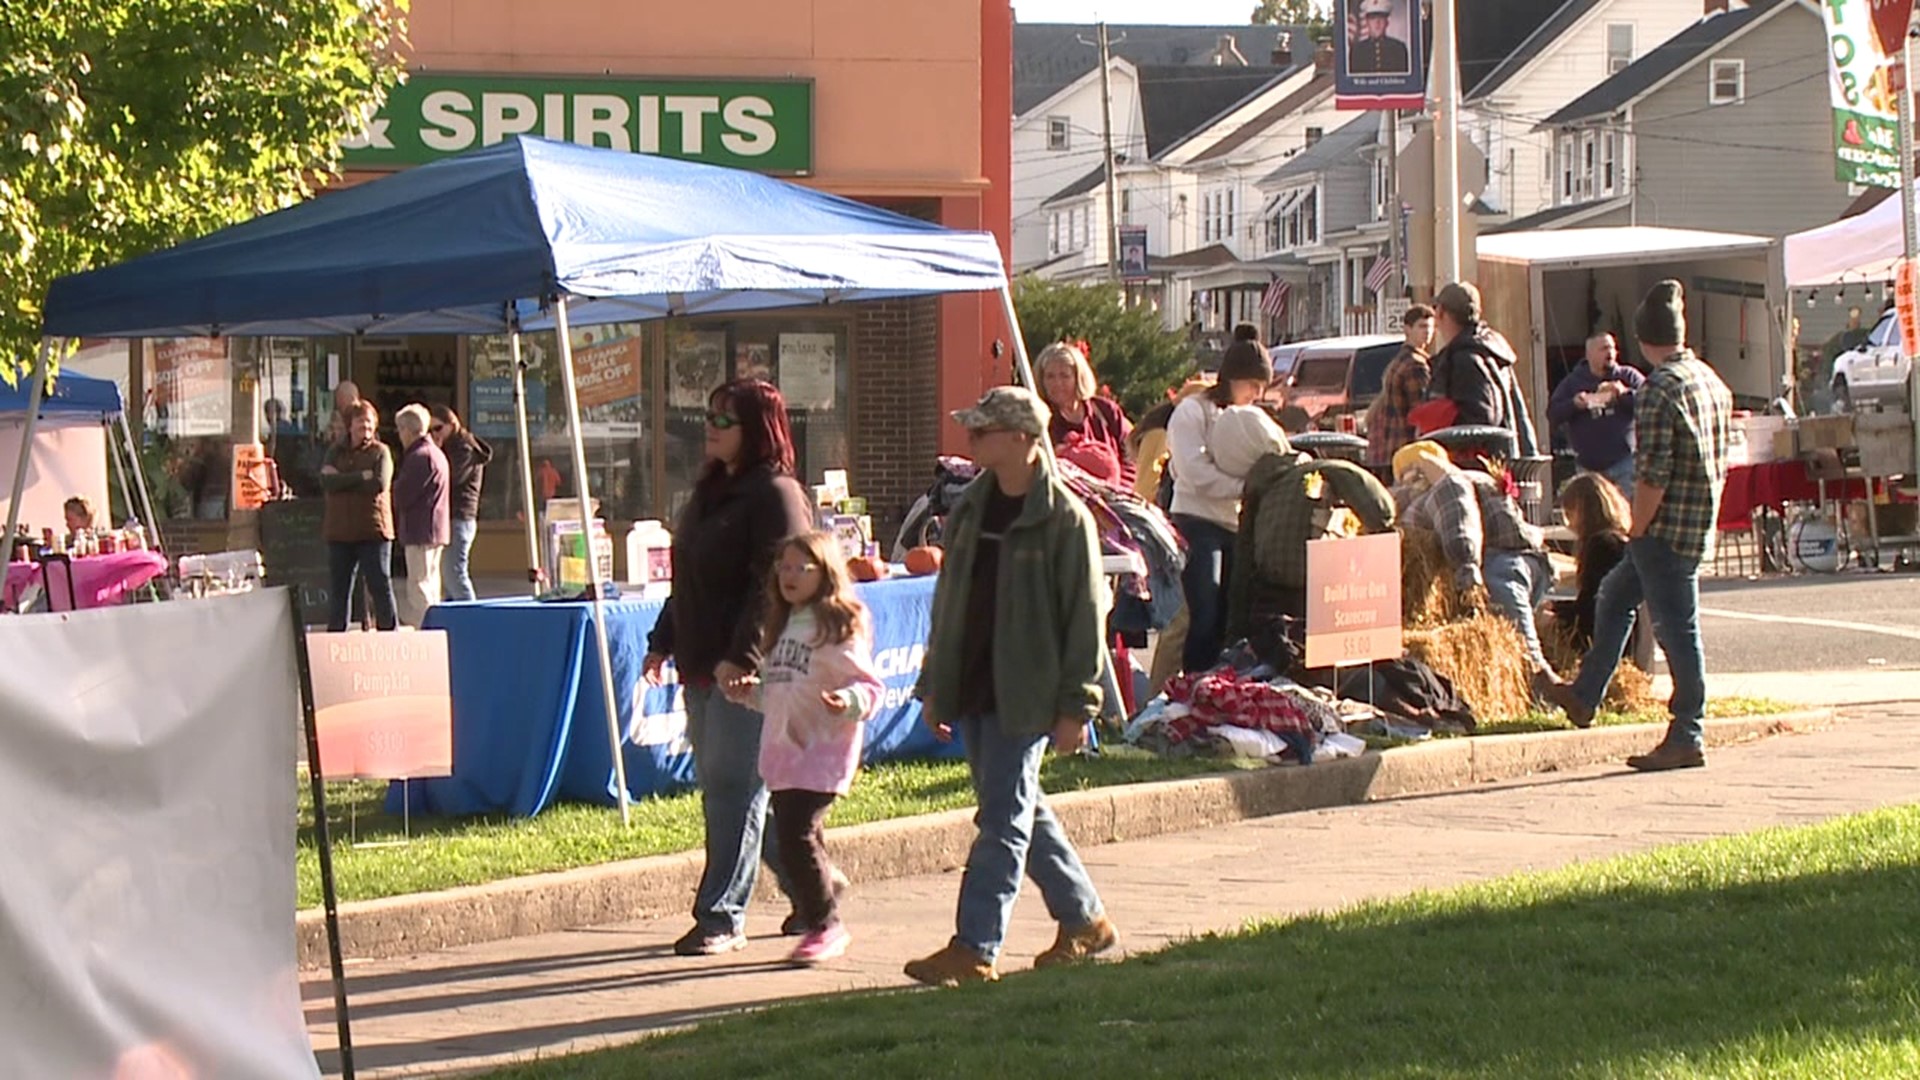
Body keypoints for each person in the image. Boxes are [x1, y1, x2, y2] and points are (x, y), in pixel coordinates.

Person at [905, 386, 1114, 986]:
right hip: (970, 683)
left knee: (1002, 819)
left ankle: (975, 946)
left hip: (1025, 692)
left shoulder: (1065, 519)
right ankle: (1085, 920)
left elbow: (1083, 618)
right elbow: (949, 602)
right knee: (1019, 808)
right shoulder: (971, 507)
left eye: (983, 431)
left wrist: (1079, 705)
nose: (971, 441)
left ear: (1022, 439)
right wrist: (934, 684)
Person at [643, 379, 817, 956]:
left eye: (724, 419)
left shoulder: (777, 495)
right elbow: (687, 577)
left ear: (757, 429)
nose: (710, 428)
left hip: (752, 668)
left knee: (734, 788)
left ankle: (720, 916)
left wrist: (744, 658)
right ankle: (815, 893)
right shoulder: (712, 491)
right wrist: (662, 640)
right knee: (732, 791)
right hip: (700, 662)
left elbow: (777, 588)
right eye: (708, 417)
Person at [1545, 281, 1732, 771]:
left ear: (1646, 341)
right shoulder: (1710, 381)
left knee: (1677, 629)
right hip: (1696, 519)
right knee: (1614, 595)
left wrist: (1637, 526)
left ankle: (1688, 730)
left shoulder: (1656, 391)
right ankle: (1586, 694)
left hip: (1662, 529)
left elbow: (1652, 474)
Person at [723, 531, 884, 966]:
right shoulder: (782, 624)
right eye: (784, 567)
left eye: (802, 568)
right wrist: (749, 694)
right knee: (799, 833)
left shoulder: (836, 623)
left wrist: (847, 702)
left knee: (794, 832)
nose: (790, 576)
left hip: (822, 749)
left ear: (826, 572)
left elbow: (869, 687)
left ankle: (825, 924)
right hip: (783, 749)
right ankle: (824, 883)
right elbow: (780, 689)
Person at [1393, 439, 1560, 688]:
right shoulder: (1478, 479)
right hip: (1529, 563)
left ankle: (1548, 693)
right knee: (1512, 639)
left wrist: (1468, 580)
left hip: (1498, 571)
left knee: (1523, 645)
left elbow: (1460, 525)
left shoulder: (1443, 487)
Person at [1166, 339, 1273, 673]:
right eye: (1252, 384)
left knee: (1230, 612)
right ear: (1232, 377)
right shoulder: (1192, 411)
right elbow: (1192, 470)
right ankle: (1192, 683)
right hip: (1196, 520)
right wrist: (1243, 488)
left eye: (1261, 387)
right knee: (1204, 609)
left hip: (1235, 525)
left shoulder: (1245, 417)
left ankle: (1219, 683)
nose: (1256, 393)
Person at [1426, 281, 1539, 456]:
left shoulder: (1467, 358)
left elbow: (1481, 420)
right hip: (1504, 459)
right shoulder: (1491, 349)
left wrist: (1440, 424)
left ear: (1441, 312)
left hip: (1478, 467)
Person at [320, 401, 398, 632]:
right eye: (360, 422)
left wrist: (342, 479)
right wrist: (359, 476)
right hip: (339, 531)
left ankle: (390, 634)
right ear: (349, 425)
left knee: (380, 585)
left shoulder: (380, 452)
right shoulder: (335, 451)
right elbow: (325, 481)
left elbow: (378, 483)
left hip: (372, 530)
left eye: (369, 422)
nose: (365, 427)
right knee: (339, 590)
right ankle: (335, 638)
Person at [1547, 332, 1644, 497]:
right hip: (1588, 469)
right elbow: (1552, 413)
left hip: (1624, 463)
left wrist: (1624, 393)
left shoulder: (1627, 376)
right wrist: (1574, 404)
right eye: (1604, 349)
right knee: (1592, 518)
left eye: (1613, 348)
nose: (1611, 353)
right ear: (1589, 354)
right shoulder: (1573, 382)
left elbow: (1650, 402)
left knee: (1626, 517)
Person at [1549, 473, 1631, 654]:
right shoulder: (1619, 539)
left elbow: (1588, 610)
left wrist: (1557, 612)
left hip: (1602, 638)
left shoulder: (1601, 545)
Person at [1039, 342, 1134, 488]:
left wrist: (1119, 490)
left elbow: (1130, 455)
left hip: (1117, 497)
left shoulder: (1105, 411)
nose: (1057, 383)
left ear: (1078, 378)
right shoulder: (1041, 419)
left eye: (1064, 376)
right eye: (1050, 377)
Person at [392, 404, 450, 628]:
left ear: (407, 430)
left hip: (421, 531)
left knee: (420, 588)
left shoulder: (420, 456)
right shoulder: (435, 453)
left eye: (400, 430)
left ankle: (426, 634)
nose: (399, 435)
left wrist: (393, 488)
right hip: (433, 530)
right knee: (431, 586)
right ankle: (433, 631)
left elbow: (404, 495)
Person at [430, 405, 492, 601]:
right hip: (451, 517)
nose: (434, 434)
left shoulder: (464, 447)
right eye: (429, 430)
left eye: (438, 428)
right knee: (448, 580)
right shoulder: (453, 447)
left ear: (452, 424)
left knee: (454, 573)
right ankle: (454, 624)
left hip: (460, 516)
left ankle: (473, 620)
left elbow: (451, 478)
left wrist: (436, 450)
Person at [1365, 303, 1437, 468]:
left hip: (1390, 448)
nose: (1427, 332)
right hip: (1407, 448)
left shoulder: (1399, 360)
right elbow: (1421, 413)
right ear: (1407, 329)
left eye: (1431, 327)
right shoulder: (1415, 365)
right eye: (1422, 326)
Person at [1347, 0, 1410, 75]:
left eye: (1381, 18)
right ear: (1367, 22)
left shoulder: (1399, 48)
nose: (1377, 22)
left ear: (1387, 22)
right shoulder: (1357, 51)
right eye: (1373, 18)